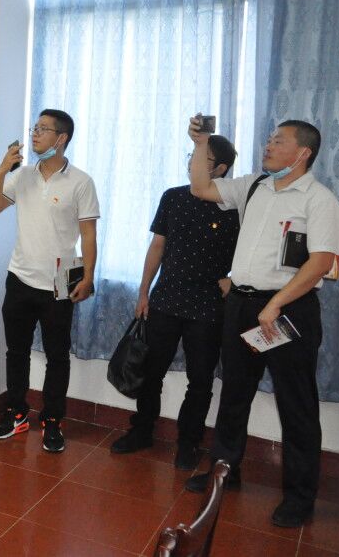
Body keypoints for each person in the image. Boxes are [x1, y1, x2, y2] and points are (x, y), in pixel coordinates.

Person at [184, 118, 339, 529]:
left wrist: (276, 303)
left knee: (296, 404)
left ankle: (299, 497)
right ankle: (226, 471)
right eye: (270, 139)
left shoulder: (319, 200)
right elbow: (201, 187)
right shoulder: (255, 185)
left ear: (303, 153)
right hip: (242, 307)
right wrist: (202, 144)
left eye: (279, 141)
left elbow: (320, 262)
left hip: (288, 311)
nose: (269, 145)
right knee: (234, 394)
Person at [109, 135, 240, 469]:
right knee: (150, 372)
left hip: (208, 306)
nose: (192, 163)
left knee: (200, 381)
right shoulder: (173, 197)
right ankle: (142, 430)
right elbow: (158, 246)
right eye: (191, 155)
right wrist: (143, 291)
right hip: (166, 298)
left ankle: (189, 442)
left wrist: (234, 278)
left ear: (221, 168)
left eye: (202, 158)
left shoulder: (235, 206)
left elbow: (251, 250)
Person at [0, 110, 99, 453]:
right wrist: (2, 169)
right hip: (20, 274)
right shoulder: (21, 176)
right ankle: (17, 413)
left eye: (43, 129)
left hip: (63, 277)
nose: (34, 134)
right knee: (16, 352)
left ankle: (52, 419)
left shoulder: (81, 181)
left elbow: (88, 235)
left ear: (61, 138)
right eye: (34, 128)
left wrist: (88, 276)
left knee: (57, 355)